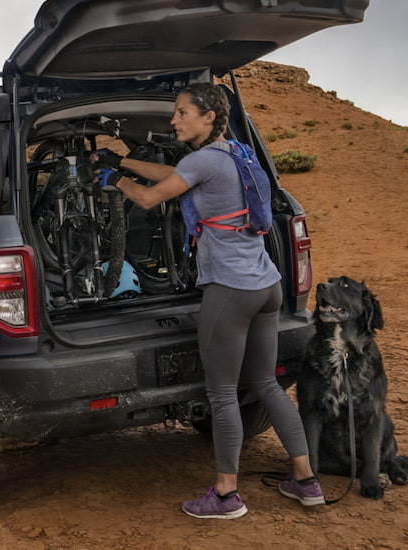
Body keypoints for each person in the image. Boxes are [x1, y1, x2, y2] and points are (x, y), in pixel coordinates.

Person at [91, 82, 324, 519]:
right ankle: (306, 481)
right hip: (266, 285)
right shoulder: (236, 153)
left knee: (220, 393)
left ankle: (225, 495)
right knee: (266, 385)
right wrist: (121, 159)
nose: (174, 120)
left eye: (182, 112)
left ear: (208, 117)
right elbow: (175, 175)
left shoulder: (200, 161)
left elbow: (147, 197)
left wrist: (114, 179)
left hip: (230, 289)